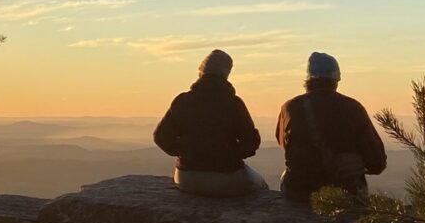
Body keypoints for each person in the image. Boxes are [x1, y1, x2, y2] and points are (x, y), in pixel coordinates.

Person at [153, 49, 266, 198]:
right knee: (262, 185)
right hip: (226, 176)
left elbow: (160, 136)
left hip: (186, 178)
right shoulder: (233, 103)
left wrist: (186, 151)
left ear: (201, 72)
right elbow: (250, 141)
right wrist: (232, 155)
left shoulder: (183, 101)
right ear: (226, 74)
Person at [276, 51, 386, 202]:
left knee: (285, 176)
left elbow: (284, 142)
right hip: (345, 193)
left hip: (300, 192)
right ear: (336, 79)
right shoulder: (353, 108)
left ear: (308, 80)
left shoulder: (289, 108)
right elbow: (377, 162)